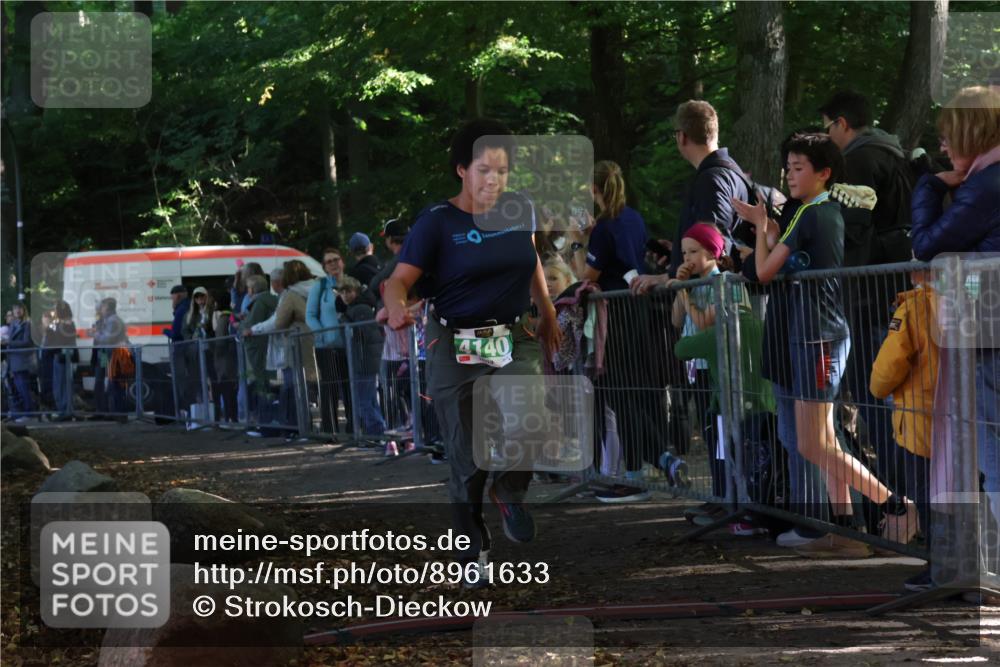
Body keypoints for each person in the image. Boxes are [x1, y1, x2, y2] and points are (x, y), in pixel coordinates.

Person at [381, 118, 560, 584]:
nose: (493, 181)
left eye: (501, 171)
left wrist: (548, 311)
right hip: (454, 342)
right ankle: (472, 547)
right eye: (484, 170)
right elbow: (397, 281)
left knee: (531, 420)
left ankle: (510, 489)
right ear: (462, 170)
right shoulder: (437, 222)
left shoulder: (519, 209)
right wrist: (397, 309)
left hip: (513, 335)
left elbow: (531, 258)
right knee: (468, 457)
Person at [734, 132, 916, 557]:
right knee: (823, 440)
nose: (790, 176)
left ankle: (896, 505)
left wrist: (763, 229)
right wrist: (769, 229)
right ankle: (845, 531)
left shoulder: (814, 213)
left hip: (820, 338)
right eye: (789, 168)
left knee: (812, 444)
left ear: (823, 173)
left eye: (799, 169)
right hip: (815, 335)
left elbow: (762, 271)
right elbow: (776, 262)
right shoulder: (815, 212)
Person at [910, 86, 1000, 594]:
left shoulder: (986, 185)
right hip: (985, 333)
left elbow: (926, 244)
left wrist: (927, 188)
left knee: (992, 457)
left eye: (948, 137)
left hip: (989, 335)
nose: (944, 148)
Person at [820, 91, 916, 510]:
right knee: (894, 402)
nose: (826, 138)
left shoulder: (858, 163)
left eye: (826, 128)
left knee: (878, 402)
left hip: (867, 302)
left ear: (842, 124)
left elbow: (852, 239)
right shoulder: (893, 154)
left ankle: (901, 503)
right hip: (892, 297)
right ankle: (908, 500)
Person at [580, 160, 660, 502]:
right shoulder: (633, 218)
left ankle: (636, 473)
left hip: (615, 316)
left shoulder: (604, 227)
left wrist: (582, 242)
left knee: (619, 393)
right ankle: (653, 462)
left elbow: (590, 275)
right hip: (638, 311)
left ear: (594, 189)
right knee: (634, 391)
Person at [870, 268, 938, 588]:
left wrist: (876, 388)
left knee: (927, 496)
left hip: (920, 420)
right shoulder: (971, 304)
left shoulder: (913, 308)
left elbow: (886, 371)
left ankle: (939, 567)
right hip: (962, 420)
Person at [668, 99, 751, 276]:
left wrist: (670, 277)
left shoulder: (711, 179)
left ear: (681, 136)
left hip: (715, 296)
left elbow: (713, 241)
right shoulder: (730, 172)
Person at [249, 260, 317, 441]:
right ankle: (305, 427)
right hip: (312, 342)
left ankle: (296, 428)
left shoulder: (291, 294)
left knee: (293, 388)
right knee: (304, 387)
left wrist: (254, 329)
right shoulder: (314, 289)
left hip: (294, 346)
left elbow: (278, 322)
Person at [338, 275, 389, 444]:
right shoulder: (358, 308)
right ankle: (377, 433)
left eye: (348, 291)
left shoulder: (360, 309)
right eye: (342, 292)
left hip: (364, 361)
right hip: (365, 360)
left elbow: (364, 337)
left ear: (356, 291)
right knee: (369, 399)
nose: (345, 295)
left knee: (364, 400)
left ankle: (375, 435)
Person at [307, 248, 348, 436]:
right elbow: (310, 315)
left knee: (350, 387)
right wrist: (322, 335)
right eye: (329, 262)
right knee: (329, 388)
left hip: (350, 345)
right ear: (324, 267)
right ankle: (330, 431)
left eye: (336, 260)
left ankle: (355, 430)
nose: (333, 264)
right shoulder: (319, 286)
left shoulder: (351, 284)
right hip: (327, 346)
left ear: (342, 262)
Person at [239, 274, 278, 435]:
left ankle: (264, 424)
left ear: (253, 289)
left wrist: (240, 325)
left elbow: (252, 325)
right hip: (267, 349)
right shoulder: (272, 299)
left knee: (261, 386)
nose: (247, 290)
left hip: (259, 350)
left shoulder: (260, 302)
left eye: (248, 287)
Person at [91, 298, 129, 418]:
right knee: (102, 381)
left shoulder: (112, 321)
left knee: (113, 383)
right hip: (103, 354)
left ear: (107, 308)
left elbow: (106, 339)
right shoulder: (104, 320)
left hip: (111, 354)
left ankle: (113, 412)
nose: (99, 311)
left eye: (101, 308)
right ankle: (103, 410)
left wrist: (95, 333)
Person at [4, 302, 36, 421]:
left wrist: (9, 343)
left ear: (24, 310)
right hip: (14, 360)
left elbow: (27, 342)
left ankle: (29, 414)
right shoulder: (13, 324)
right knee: (19, 388)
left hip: (23, 361)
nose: (17, 311)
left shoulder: (28, 324)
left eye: (19, 308)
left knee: (24, 388)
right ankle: (22, 413)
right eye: (15, 308)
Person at [47, 301, 78, 419]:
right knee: (59, 383)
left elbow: (61, 338)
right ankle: (63, 409)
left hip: (64, 356)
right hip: (59, 355)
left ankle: (66, 410)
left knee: (63, 384)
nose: (54, 311)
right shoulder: (59, 323)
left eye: (55, 309)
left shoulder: (67, 324)